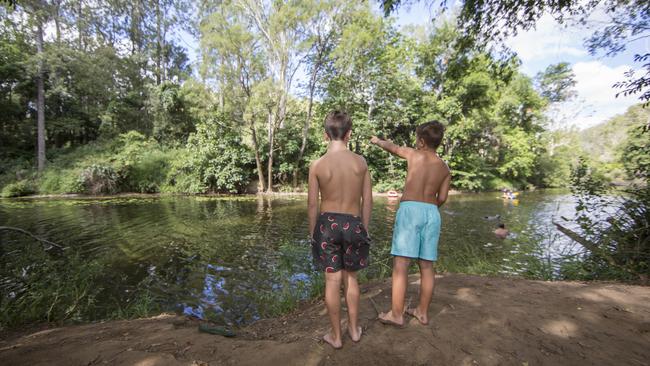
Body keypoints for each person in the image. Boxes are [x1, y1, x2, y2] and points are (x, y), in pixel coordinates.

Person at [370, 120, 450, 327]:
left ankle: (397, 314)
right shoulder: (444, 168)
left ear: (422, 141)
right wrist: (430, 208)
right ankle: (422, 312)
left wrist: (377, 141)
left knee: (401, 264)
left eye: (416, 139)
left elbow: (393, 147)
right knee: (426, 265)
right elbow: (442, 197)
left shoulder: (414, 154)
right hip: (432, 212)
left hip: (410, 210)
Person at [308, 110, 373, 349]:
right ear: (349, 134)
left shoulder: (317, 165)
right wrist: (363, 230)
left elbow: (313, 204)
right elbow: (368, 200)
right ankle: (354, 330)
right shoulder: (361, 162)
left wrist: (312, 234)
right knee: (352, 279)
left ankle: (336, 337)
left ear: (326, 135)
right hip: (354, 222)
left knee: (332, 282)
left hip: (326, 225)